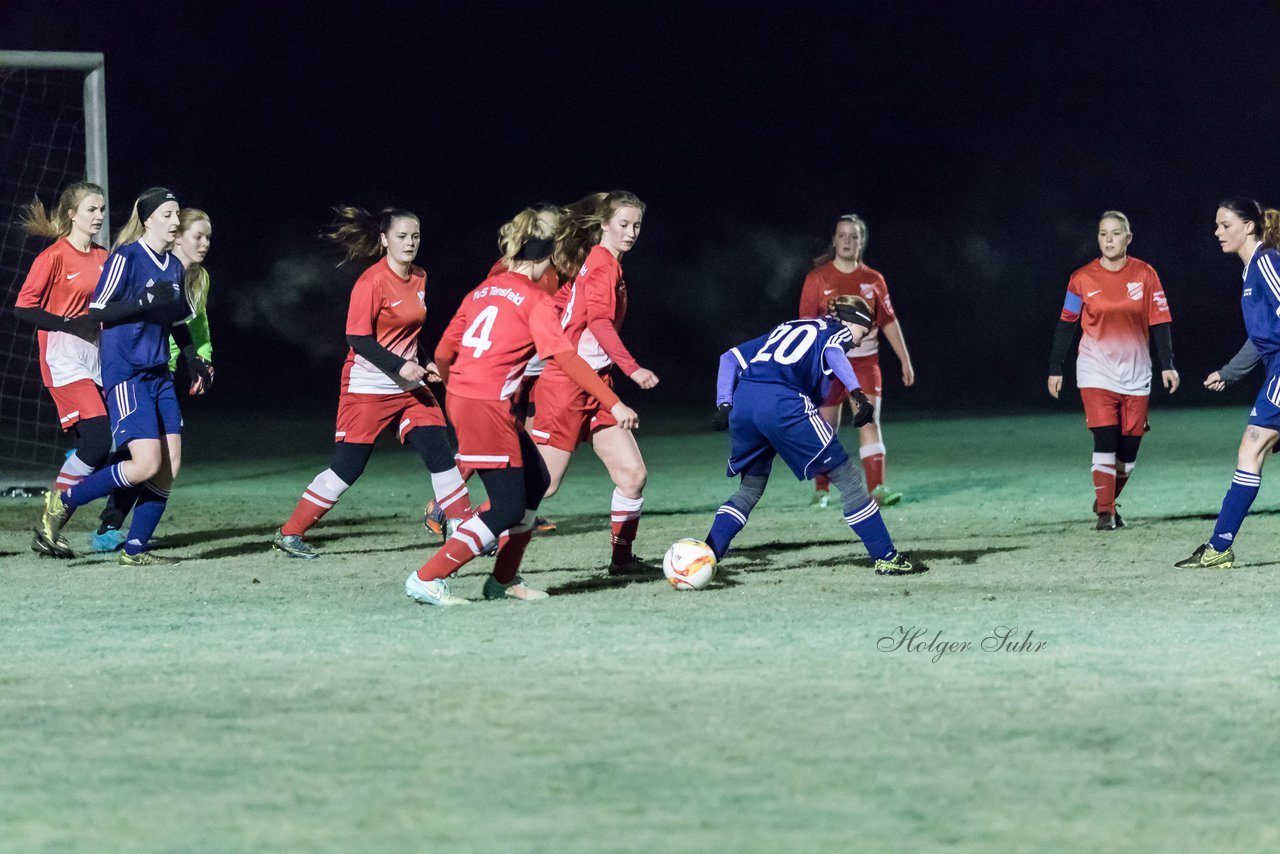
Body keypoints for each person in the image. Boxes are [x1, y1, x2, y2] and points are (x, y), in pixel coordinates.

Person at [406, 207, 639, 606]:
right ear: (549, 255)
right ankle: (428, 577)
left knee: (536, 484)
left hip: (470, 398)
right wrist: (613, 402)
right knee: (508, 507)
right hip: (486, 405)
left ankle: (503, 580)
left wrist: (455, 382)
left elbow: (444, 351)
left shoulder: (481, 291)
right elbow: (566, 359)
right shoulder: (534, 300)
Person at [273, 206, 472, 558]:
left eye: (415, 236)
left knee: (439, 452)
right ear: (384, 240)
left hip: (409, 389)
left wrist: (425, 362)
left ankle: (461, 529)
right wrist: (399, 365)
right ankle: (289, 534)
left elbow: (411, 332)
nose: (410, 243)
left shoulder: (420, 276)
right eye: (401, 236)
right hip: (368, 389)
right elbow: (358, 338)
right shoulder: (371, 282)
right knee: (348, 467)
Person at [40, 187, 200, 565]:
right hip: (127, 373)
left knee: (169, 468)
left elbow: (175, 319)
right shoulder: (126, 258)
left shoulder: (174, 266)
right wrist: (144, 301)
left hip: (159, 373)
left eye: (177, 215)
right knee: (144, 464)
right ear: (147, 220)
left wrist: (193, 358)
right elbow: (98, 310)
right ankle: (64, 501)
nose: (175, 221)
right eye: (167, 215)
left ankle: (134, 550)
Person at [706, 296, 922, 575]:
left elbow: (730, 358)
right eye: (863, 332)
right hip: (783, 403)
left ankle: (707, 554)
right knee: (849, 479)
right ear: (851, 321)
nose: (857, 342)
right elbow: (834, 350)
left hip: (744, 400)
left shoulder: (789, 326)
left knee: (749, 489)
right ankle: (887, 557)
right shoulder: (836, 332)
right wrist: (858, 394)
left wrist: (724, 403)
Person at [528, 191, 658, 573]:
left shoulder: (604, 263)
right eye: (623, 224)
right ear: (603, 224)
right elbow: (599, 323)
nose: (631, 232)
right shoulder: (602, 265)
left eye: (636, 225)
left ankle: (622, 561)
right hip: (567, 385)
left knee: (633, 476)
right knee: (543, 486)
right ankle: (472, 532)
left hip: (595, 383)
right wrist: (633, 369)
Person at [421, 204, 562, 539]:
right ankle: (456, 509)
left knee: (518, 435)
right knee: (498, 436)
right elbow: (494, 312)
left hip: (532, 355)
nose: (551, 235)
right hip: (509, 364)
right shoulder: (509, 268)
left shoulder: (551, 266)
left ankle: (519, 508)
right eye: (547, 228)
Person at [92, 208, 215, 552]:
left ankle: (134, 535)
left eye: (208, 237)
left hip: (166, 372)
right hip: (139, 369)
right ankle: (108, 523)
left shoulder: (198, 277)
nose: (205, 244)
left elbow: (195, 327)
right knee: (144, 458)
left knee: (165, 460)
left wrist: (202, 361)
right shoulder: (154, 266)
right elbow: (130, 318)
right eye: (198, 236)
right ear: (176, 237)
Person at [1048, 211, 1177, 530]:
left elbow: (1160, 322)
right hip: (1095, 371)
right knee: (1105, 438)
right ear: (1098, 239)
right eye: (1103, 234)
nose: (1109, 239)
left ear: (1128, 238)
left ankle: (1105, 496)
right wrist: (1055, 366)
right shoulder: (1081, 278)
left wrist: (1168, 364)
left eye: (1116, 233)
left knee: (1129, 449)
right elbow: (1067, 323)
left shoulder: (1146, 274)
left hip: (1137, 374)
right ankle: (1106, 513)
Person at [1176, 198, 1280, 568]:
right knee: (1252, 450)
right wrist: (1229, 372)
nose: (1217, 232)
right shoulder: (1250, 271)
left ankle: (1219, 547)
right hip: (1274, 370)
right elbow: (1263, 337)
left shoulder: (1266, 261)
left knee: (1251, 449)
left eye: (1224, 225)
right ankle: (1219, 546)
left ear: (1249, 226)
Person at [14, 182, 109, 558]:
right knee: (99, 440)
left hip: (98, 358)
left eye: (101, 209)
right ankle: (51, 522)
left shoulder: (104, 256)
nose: (99, 216)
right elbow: (24, 308)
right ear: (72, 214)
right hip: (63, 357)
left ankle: (54, 527)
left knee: (103, 449)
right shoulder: (53, 256)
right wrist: (69, 323)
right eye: (91, 210)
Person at [798, 214, 914, 509]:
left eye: (854, 236)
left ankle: (877, 489)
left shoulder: (873, 280)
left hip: (865, 364)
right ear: (834, 240)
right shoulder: (817, 278)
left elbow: (888, 320)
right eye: (842, 235)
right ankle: (821, 491)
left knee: (869, 420)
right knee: (825, 427)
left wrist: (904, 360)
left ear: (862, 242)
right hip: (828, 366)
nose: (847, 241)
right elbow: (805, 326)